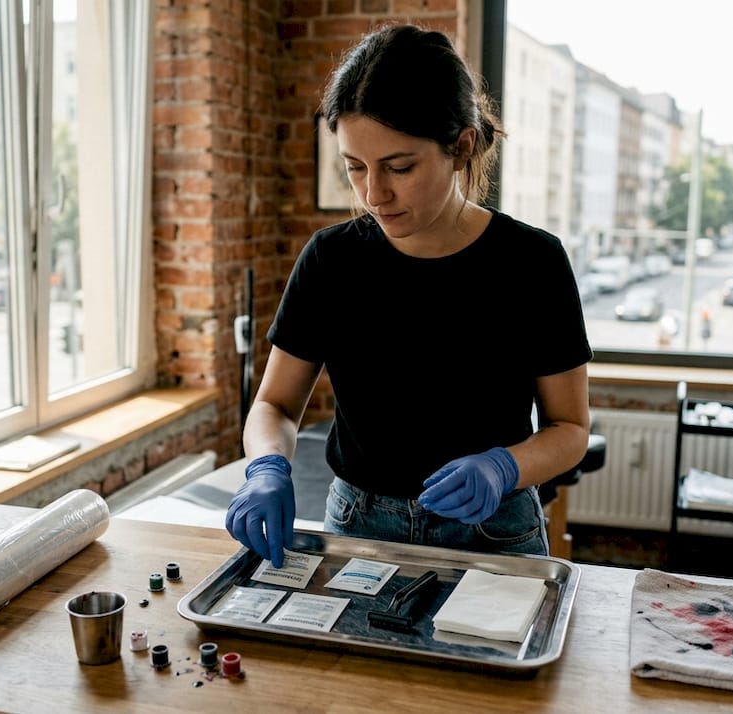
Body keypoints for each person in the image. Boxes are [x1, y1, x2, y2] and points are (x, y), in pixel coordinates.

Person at [226, 24, 592, 567]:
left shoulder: (532, 262)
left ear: (461, 146)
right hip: (359, 525)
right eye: (355, 168)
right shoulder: (331, 260)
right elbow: (274, 405)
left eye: (399, 167)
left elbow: (570, 429)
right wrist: (266, 467)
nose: (374, 194)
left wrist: (504, 467)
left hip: (492, 533)